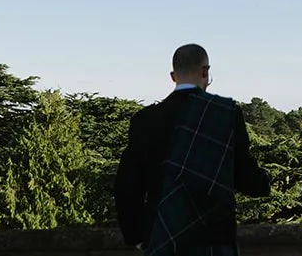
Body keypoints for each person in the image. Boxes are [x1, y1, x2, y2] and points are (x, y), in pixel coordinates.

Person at [115, 44, 271, 256]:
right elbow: (243, 175)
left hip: (162, 237)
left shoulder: (144, 119)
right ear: (205, 71)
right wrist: (265, 183)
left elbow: (127, 184)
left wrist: (137, 237)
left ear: (173, 76)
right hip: (214, 240)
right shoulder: (226, 114)